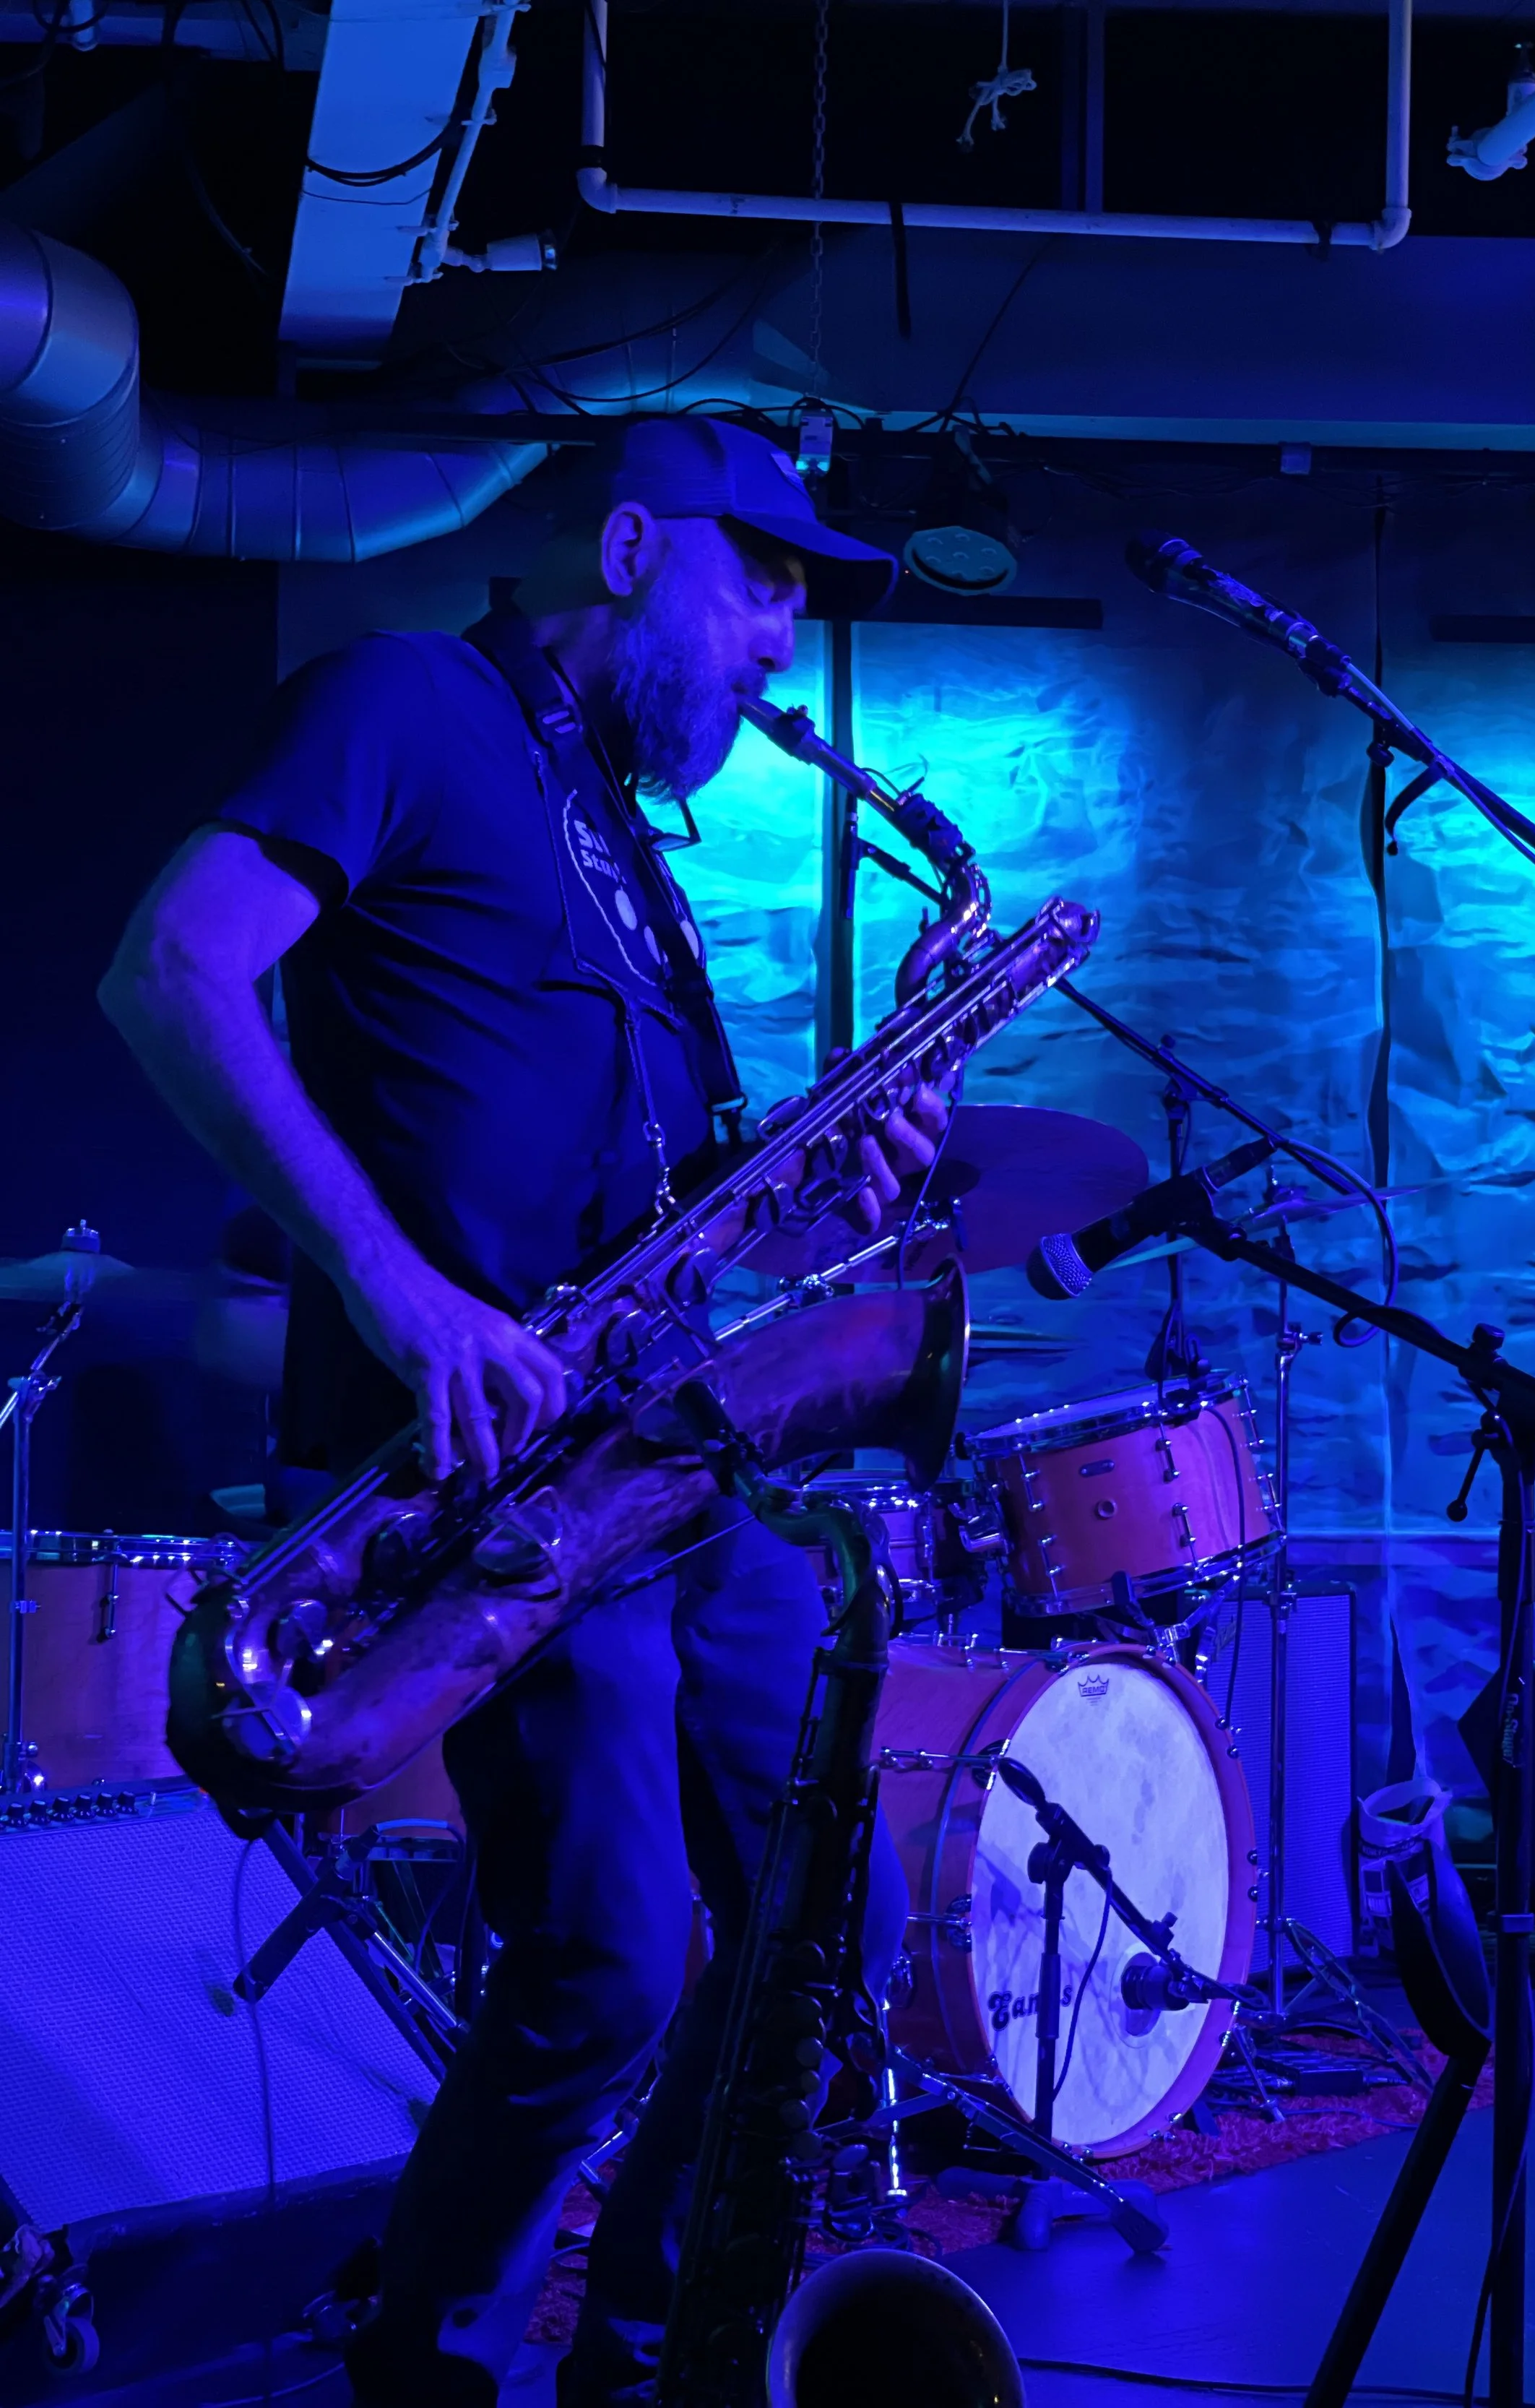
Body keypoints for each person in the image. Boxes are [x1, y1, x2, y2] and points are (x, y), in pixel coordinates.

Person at [99, 418, 943, 2404]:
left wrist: (836, 1177)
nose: (782, 633)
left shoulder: (622, 840)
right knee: (614, 1961)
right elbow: (172, 968)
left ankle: (649, 2354)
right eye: (763, 576)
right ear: (633, 543)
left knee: (833, 1918)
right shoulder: (406, 700)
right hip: (497, 1486)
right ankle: (438, 2364)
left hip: (674, 1459)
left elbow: (671, 1207)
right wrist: (403, 1299)